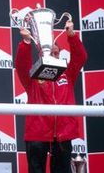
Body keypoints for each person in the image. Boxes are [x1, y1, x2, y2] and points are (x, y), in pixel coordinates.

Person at [15, 20, 87, 173]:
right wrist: (26, 42)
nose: (53, 55)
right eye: (49, 53)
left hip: (63, 134)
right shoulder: (33, 76)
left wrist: (72, 35)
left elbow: (80, 57)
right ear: (41, 54)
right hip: (37, 133)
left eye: (56, 53)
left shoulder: (67, 74)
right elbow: (21, 66)